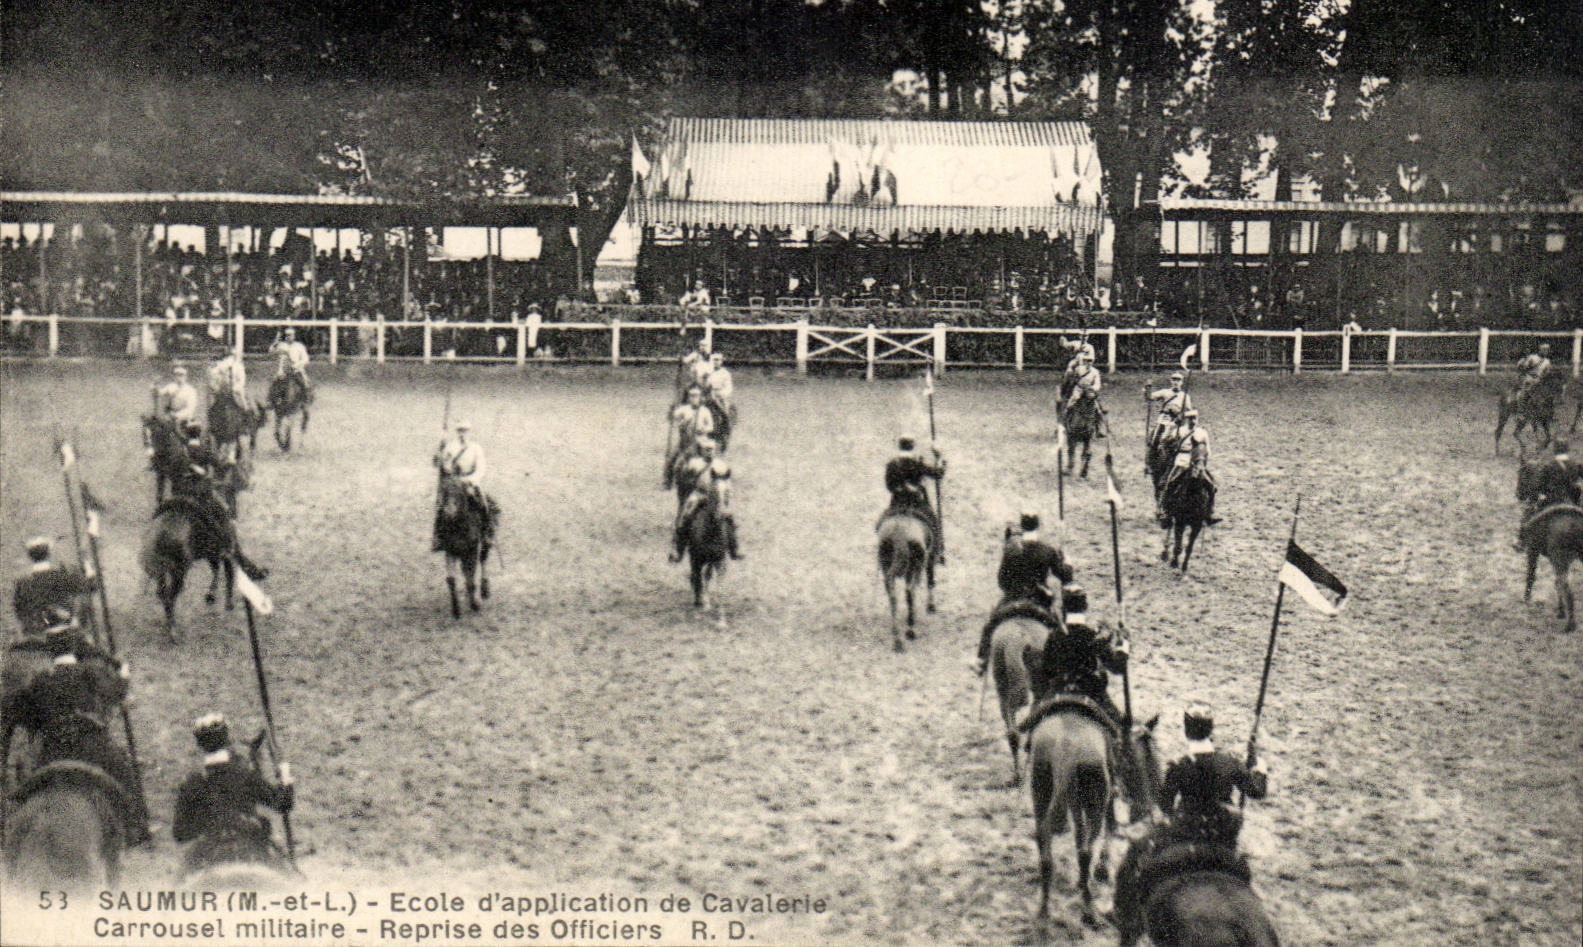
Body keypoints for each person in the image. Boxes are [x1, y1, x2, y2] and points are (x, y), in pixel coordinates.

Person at [1112, 704, 1268, 936]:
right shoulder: (1230, 763)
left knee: (1136, 851)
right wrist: (1259, 768)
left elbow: (1164, 807)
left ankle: (1125, 918)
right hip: (1222, 837)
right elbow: (1257, 790)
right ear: (1211, 730)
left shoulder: (1179, 766)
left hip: (1185, 832)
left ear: (1187, 731)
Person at [0, 609, 151, 846]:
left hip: (52, 753)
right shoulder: (91, 673)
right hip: (95, 748)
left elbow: (13, 712)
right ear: (75, 647)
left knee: (24, 796)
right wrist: (123, 670)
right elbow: (119, 690)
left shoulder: (40, 683)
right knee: (126, 774)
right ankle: (140, 830)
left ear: (50, 651)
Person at [172, 713, 295, 871]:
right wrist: (285, 774)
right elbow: (283, 803)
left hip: (209, 855)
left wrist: (209, 825)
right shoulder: (245, 774)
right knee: (290, 874)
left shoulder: (192, 784)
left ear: (199, 745)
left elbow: (180, 834)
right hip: (251, 850)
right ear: (227, 739)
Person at [1017, 586, 1129, 734]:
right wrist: (1124, 645)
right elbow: (1118, 667)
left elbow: (1047, 670)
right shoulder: (1093, 635)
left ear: (1063, 608)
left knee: (1031, 727)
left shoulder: (1054, 636)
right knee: (1122, 727)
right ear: (1085, 607)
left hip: (1058, 690)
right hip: (1091, 693)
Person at [971, 513, 1072, 676]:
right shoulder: (1047, 550)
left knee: (991, 623)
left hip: (1013, 598)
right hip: (1039, 600)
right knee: (1060, 629)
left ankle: (981, 660)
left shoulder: (1011, 550)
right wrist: (1066, 561)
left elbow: (1002, 582)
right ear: (1038, 526)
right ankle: (1066, 663)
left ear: (1022, 526)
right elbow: (1065, 577)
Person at [670, 439, 743, 562]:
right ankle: (679, 549)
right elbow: (685, 479)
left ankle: (734, 548)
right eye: (706, 450)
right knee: (685, 516)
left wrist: (727, 495)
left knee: (730, 517)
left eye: (711, 449)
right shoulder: (694, 464)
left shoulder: (721, 465)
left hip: (717, 498)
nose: (709, 452)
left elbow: (727, 483)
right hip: (700, 495)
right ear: (702, 451)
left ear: (715, 450)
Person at [433, 420, 496, 550]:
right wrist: (439, 454)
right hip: (453, 482)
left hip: (469, 483)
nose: (463, 434)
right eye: (460, 431)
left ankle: (487, 535)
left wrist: (471, 479)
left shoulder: (476, 448)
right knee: (442, 507)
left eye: (465, 431)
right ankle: (439, 539)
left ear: (469, 432)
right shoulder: (450, 447)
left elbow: (481, 468)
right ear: (457, 432)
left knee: (485, 505)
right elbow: (440, 465)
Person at [881, 436, 946, 564]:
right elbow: (938, 474)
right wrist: (939, 457)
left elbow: (889, 486)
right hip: (916, 503)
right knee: (934, 523)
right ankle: (936, 553)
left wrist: (899, 488)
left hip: (897, 503)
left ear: (899, 446)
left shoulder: (892, 464)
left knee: (880, 522)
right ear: (913, 446)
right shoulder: (916, 463)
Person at [12, 537, 94, 637]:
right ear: (48, 554)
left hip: (37, 637)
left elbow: (19, 612)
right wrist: (88, 567)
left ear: (30, 556)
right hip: (65, 634)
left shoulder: (23, 583)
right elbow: (89, 587)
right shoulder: (61, 576)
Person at [1159, 409, 1220, 525]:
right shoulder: (1180, 431)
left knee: (1211, 485)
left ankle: (1210, 513)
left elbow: (1207, 450)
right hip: (1182, 460)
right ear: (1186, 419)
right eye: (1190, 418)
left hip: (1197, 461)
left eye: (1194, 418)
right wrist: (1172, 426)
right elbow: (1164, 439)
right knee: (1170, 483)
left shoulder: (1202, 432)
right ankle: (1165, 512)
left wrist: (1203, 462)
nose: (1193, 420)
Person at [665, 386, 715, 488]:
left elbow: (711, 427)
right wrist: (673, 412)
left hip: (701, 441)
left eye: (696, 396)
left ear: (700, 397)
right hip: (686, 441)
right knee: (672, 459)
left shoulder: (705, 411)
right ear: (688, 397)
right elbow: (673, 418)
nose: (694, 398)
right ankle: (668, 482)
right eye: (691, 396)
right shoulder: (684, 409)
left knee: (709, 458)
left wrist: (704, 429)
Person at [1146, 372, 1192, 452]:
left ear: (1181, 382)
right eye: (1174, 380)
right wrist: (1148, 387)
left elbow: (1189, 411)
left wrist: (1182, 417)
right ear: (1171, 381)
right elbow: (1149, 397)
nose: (1176, 382)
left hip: (1177, 420)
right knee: (1157, 435)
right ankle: (1153, 453)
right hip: (1165, 417)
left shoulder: (1185, 396)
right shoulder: (1165, 392)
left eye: (1178, 380)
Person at [210, 346, 255, 413]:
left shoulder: (239, 366)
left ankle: (246, 410)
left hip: (234, 388)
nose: (230, 358)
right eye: (228, 356)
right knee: (214, 400)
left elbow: (241, 381)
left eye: (233, 356)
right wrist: (216, 385)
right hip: (222, 388)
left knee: (242, 395)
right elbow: (214, 375)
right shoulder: (220, 365)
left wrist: (234, 387)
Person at [268, 327, 311, 392]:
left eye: (291, 335)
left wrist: (297, 365)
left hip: (296, 370)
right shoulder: (281, 346)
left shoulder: (299, 346)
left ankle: (306, 397)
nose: (289, 337)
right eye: (287, 335)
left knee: (304, 385)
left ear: (294, 336)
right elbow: (271, 353)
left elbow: (306, 359)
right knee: (274, 385)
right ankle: (271, 399)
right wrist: (275, 343)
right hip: (283, 370)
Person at [1064, 350, 1104, 415]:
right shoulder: (1078, 369)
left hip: (1089, 389)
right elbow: (1074, 378)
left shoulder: (1095, 372)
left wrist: (1092, 388)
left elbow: (1098, 384)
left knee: (1094, 402)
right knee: (1074, 398)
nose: (1088, 363)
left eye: (1090, 361)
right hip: (1079, 388)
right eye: (1086, 361)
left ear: (1092, 362)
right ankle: (1067, 413)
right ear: (1084, 361)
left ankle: (1101, 418)